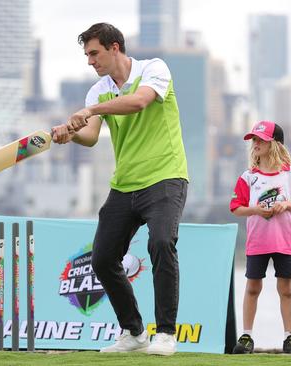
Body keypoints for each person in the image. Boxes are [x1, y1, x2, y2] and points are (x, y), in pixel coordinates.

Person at [51, 23, 189, 356]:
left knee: (160, 243)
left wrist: (91, 110)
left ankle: (166, 334)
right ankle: (134, 332)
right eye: (86, 55)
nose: (90, 61)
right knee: (102, 258)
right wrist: (70, 133)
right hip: (125, 184)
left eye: (94, 53)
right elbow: (90, 135)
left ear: (115, 48)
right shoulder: (97, 90)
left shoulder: (154, 69)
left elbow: (139, 102)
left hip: (165, 177)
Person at [229, 121, 291, 354]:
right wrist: (256, 210)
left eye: (260, 139)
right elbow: (235, 207)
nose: (255, 144)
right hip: (257, 242)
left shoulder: (290, 175)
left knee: (285, 289)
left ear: (274, 144)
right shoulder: (248, 177)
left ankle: (289, 337)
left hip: (283, 242)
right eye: (253, 140)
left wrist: (286, 205)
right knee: (253, 287)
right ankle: (246, 337)